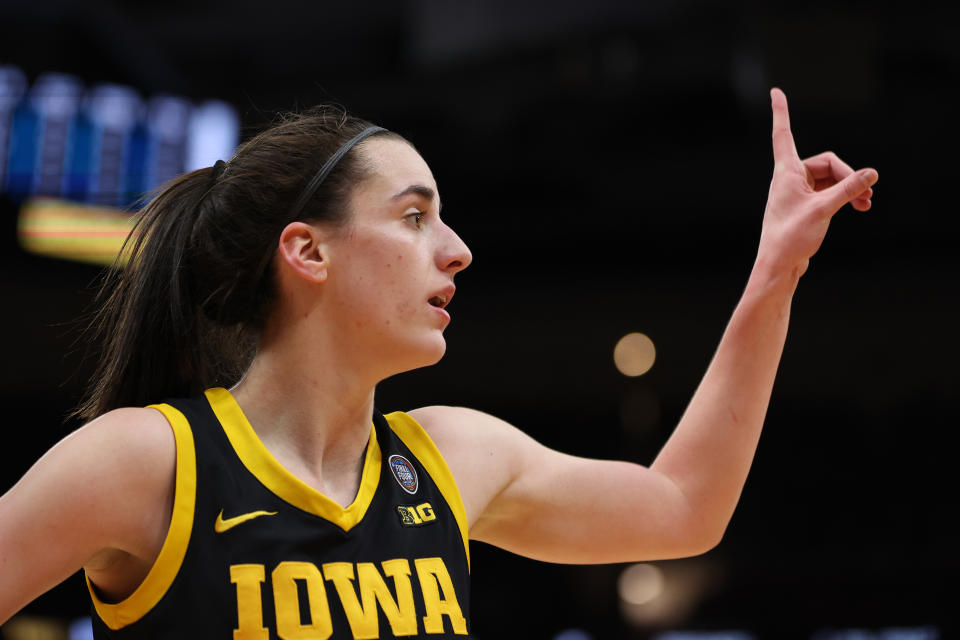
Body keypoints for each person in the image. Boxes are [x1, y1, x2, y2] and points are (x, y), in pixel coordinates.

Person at [0, 88, 877, 638]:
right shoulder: (145, 463)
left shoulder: (451, 459)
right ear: (308, 252)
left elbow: (685, 509)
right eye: (415, 216)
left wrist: (777, 271)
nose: (456, 250)